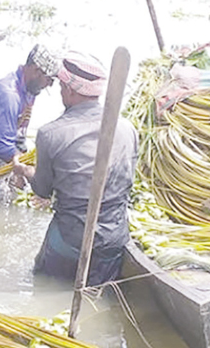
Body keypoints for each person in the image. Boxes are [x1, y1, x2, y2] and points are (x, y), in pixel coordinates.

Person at [12, 51, 138, 285]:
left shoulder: (51, 134)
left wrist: (24, 170)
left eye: (61, 86)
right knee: (98, 291)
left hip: (71, 241)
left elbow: (42, 191)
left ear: (70, 90)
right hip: (114, 238)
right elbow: (127, 180)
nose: (59, 90)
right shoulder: (127, 128)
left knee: (41, 282)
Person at [0, 44, 60, 202]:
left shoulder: (30, 89)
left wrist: (22, 167)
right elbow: (3, 146)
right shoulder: (10, 95)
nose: (49, 85)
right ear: (36, 70)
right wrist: (23, 170)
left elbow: (20, 131)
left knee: (20, 198)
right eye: (50, 80)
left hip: (11, 155)